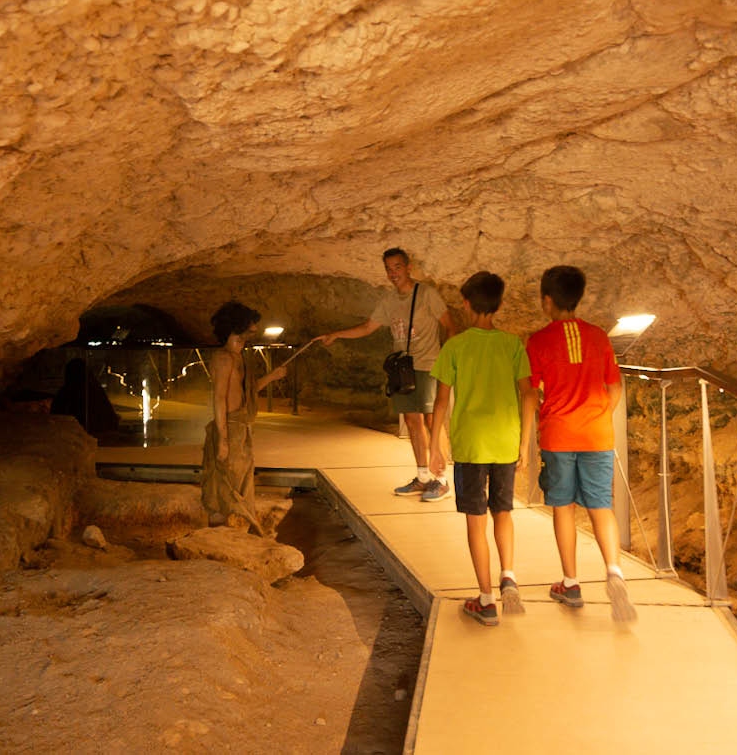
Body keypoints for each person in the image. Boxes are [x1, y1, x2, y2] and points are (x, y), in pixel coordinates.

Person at [525, 265, 636, 623]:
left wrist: (527, 435)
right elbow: (615, 387)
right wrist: (601, 415)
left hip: (558, 434)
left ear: (547, 300)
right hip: (597, 434)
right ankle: (614, 572)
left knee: (563, 507)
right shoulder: (599, 337)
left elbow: (531, 390)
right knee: (601, 505)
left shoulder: (539, 341)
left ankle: (570, 584)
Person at [428, 271, 535, 626]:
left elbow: (441, 401)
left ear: (466, 304)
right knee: (502, 512)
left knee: (476, 522)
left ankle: (486, 600)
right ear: (499, 305)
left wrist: (434, 445)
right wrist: (524, 442)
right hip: (505, 442)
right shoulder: (512, 344)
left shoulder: (455, 346)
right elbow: (528, 393)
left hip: (471, 445)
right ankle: (509, 575)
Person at [319, 247, 458, 501]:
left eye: (397, 267)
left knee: (431, 421)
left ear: (408, 268)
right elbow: (367, 327)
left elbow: (450, 326)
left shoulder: (426, 293)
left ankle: (442, 479)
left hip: (428, 364)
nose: (392, 273)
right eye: (388, 268)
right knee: (413, 422)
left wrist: (447, 361)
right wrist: (336, 334)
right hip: (402, 368)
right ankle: (423, 476)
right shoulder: (388, 300)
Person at [201, 301, 287, 532]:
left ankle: (237, 531)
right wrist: (223, 439)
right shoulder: (224, 358)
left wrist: (272, 376)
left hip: (242, 427)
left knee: (240, 481)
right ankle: (221, 535)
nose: (254, 329)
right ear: (236, 326)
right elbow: (219, 399)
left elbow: (247, 391)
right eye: (249, 325)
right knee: (225, 483)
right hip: (229, 426)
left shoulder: (239, 356)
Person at [50, 357, 120, 443]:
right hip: (95, 432)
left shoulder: (67, 392)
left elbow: (57, 412)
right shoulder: (95, 389)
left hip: (80, 434)